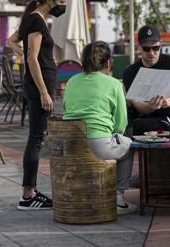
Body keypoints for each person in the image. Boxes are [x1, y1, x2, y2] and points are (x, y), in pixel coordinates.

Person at [7, 0, 70, 211]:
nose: (62, 6)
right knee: (35, 140)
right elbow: (33, 58)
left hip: (39, 84)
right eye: (61, 2)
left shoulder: (35, 17)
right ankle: (27, 195)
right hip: (38, 87)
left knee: (37, 138)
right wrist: (44, 92)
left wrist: (24, 54)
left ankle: (30, 191)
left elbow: (11, 41)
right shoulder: (36, 20)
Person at [63, 41, 137, 214]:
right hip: (99, 144)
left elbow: (67, 109)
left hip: (70, 144)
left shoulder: (71, 81)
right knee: (128, 144)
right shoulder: (114, 84)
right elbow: (121, 123)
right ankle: (118, 198)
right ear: (109, 63)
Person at [123, 24, 170, 135]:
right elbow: (137, 105)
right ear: (139, 47)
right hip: (146, 124)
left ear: (161, 45)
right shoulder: (130, 72)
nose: (151, 53)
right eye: (146, 49)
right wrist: (151, 107)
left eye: (156, 48)